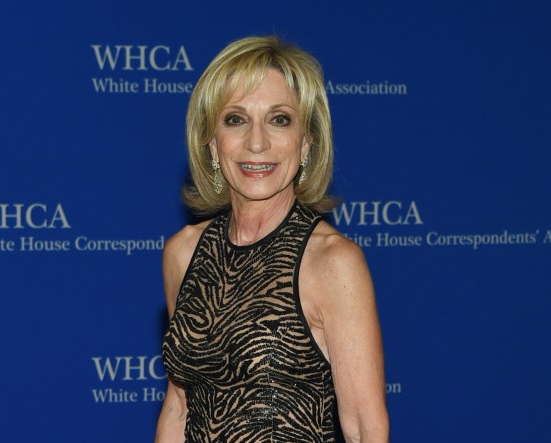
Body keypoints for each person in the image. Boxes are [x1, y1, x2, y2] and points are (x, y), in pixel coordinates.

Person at [156, 35, 388, 443]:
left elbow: (364, 427)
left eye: (280, 119)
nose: (257, 142)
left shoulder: (332, 262)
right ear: (211, 143)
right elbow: (179, 405)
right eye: (235, 119)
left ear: (307, 142)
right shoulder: (183, 253)